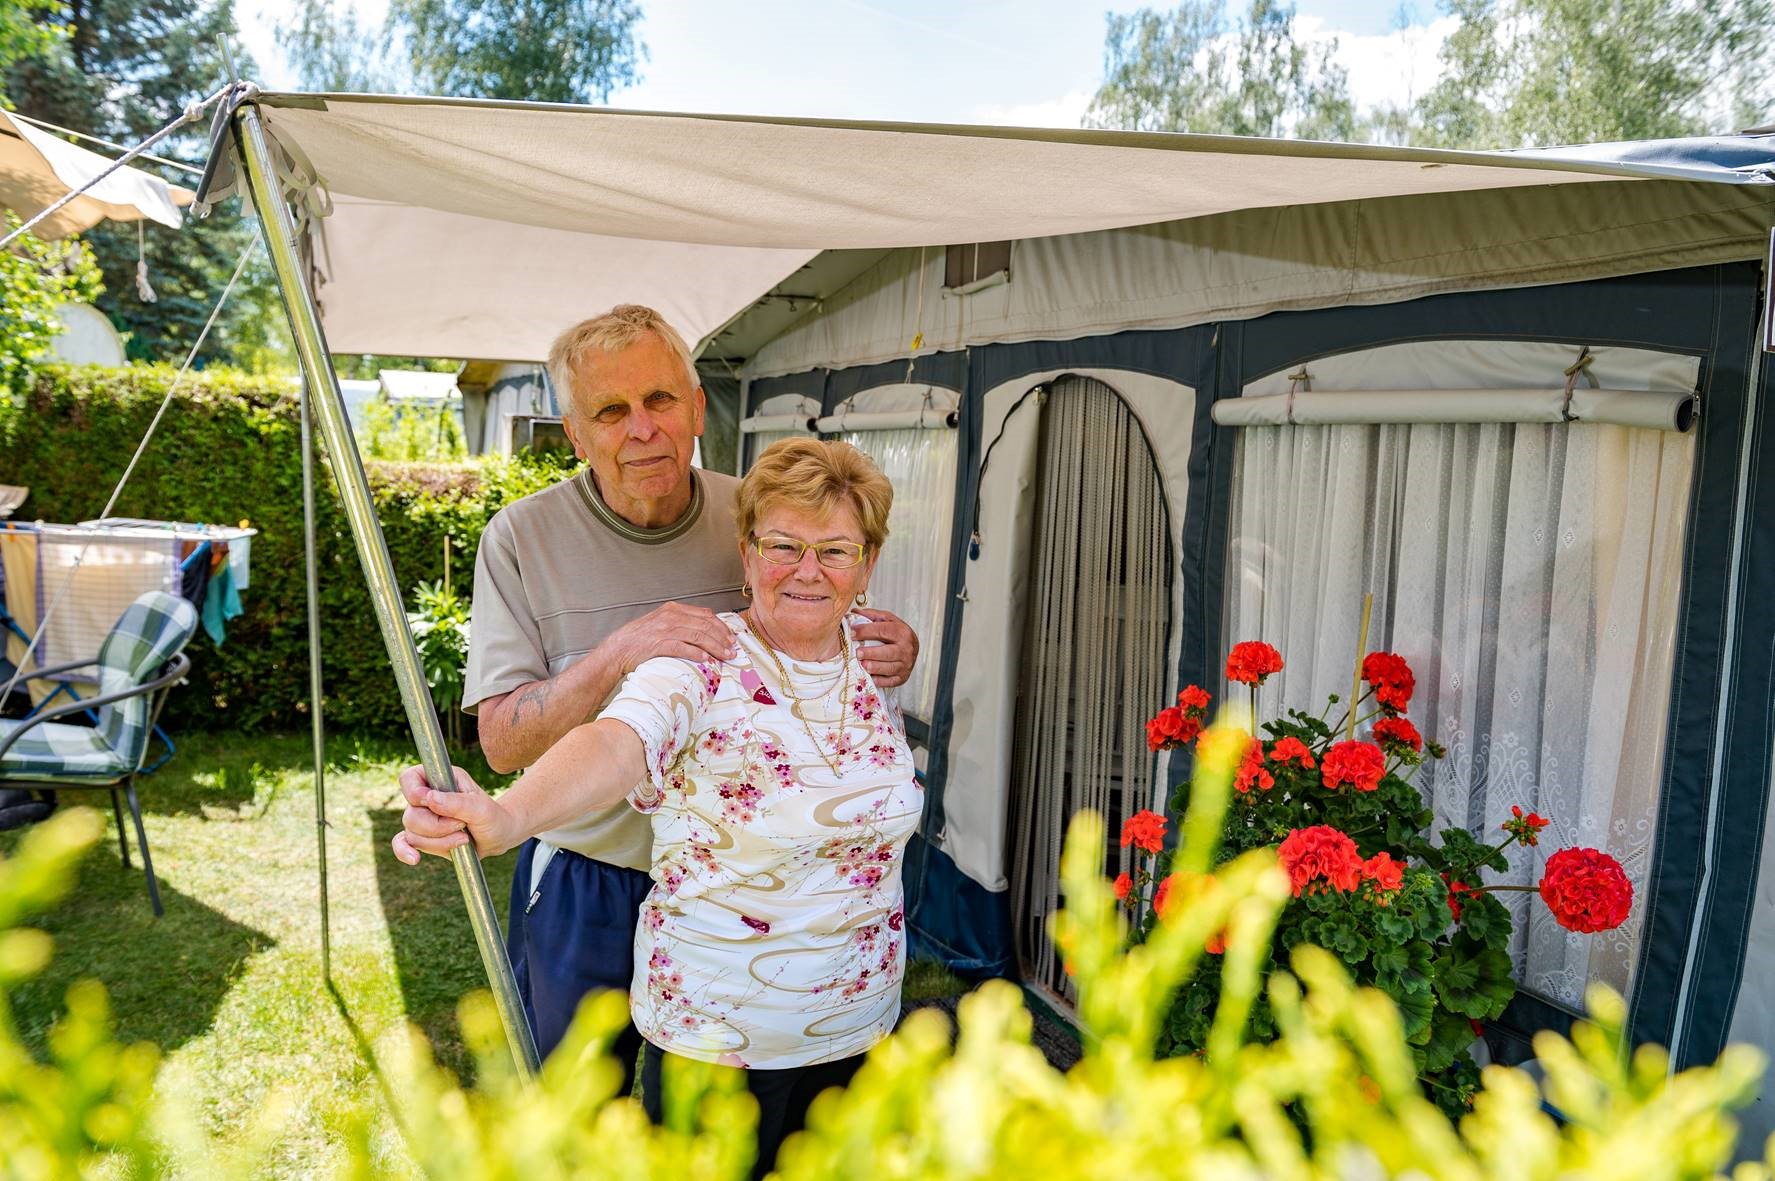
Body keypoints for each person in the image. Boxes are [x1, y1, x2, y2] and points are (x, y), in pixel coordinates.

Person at [395, 438, 922, 1178]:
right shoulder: (696, 662)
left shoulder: (870, 665)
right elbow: (617, 742)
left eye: (835, 549)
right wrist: (510, 815)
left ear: (866, 564)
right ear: (745, 554)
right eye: (783, 545)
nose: (808, 569)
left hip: (857, 1027)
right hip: (722, 1042)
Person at [458, 306, 919, 1072]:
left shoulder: (759, 512)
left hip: (746, 895)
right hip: (592, 876)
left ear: (698, 406)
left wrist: (895, 644)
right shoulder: (522, 537)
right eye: (610, 410)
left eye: (660, 400)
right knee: (580, 1118)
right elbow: (504, 743)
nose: (642, 428)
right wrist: (620, 653)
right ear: (575, 433)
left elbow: (825, 607)